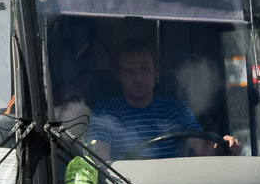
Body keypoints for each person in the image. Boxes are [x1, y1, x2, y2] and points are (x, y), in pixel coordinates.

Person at [88, 37, 240, 160]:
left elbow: (203, 147)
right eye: (129, 71)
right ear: (118, 76)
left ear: (156, 72)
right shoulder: (105, 113)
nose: (138, 78)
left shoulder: (176, 110)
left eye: (145, 69)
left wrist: (223, 145)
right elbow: (99, 160)